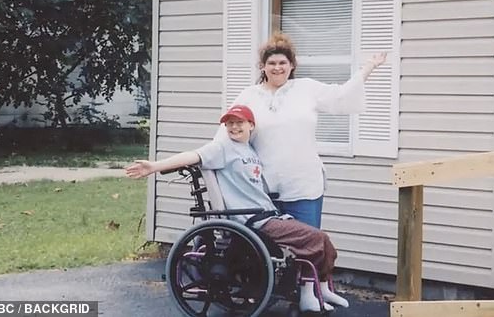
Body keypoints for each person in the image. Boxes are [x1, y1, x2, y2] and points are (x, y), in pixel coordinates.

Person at [125, 105, 349, 312]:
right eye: (229, 123)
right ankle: (308, 297)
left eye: (239, 122)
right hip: (253, 221)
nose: (234, 127)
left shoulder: (249, 151)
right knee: (314, 238)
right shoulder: (222, 147)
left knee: (324, 242)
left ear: (251, 126)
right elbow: (192, 156)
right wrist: (154, 166)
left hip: (268, 215)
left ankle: (323, 289)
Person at [222, 32, 386, 228]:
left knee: (307, 249)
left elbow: (341, 95)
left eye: (282, 63)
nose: (277, 68)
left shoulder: (307, 89)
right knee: (268, 253)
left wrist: (368, 67)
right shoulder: (248, 96)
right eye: (272, 63)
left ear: (291, 66)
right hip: (263, 190)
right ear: (262, 66)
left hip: (303, 187)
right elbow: (226, 135)